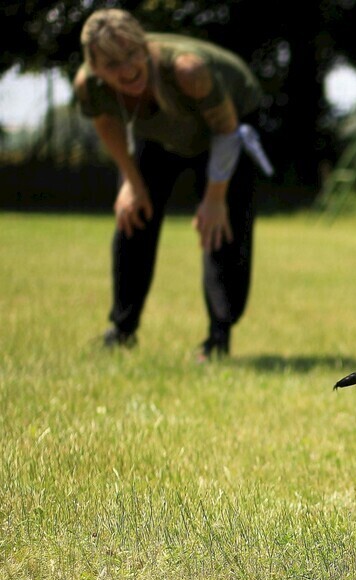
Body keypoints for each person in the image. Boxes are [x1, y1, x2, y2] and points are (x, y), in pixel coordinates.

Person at [74, 9, 273, 361]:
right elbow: (106, 123)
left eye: (133, 54)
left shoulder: (187, 70)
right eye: (113, 63)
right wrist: (131, 182)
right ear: (95, 66)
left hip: (225, 127)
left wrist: (214, 198)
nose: (128, 69)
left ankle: (218, 338)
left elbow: (226, 130)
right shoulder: (89, 86)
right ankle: (122, 329)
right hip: (160, 134)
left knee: (221, 229)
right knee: (132, 217)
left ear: (145, 45)